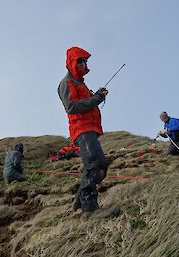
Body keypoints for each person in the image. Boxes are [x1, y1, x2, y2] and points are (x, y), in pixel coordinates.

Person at [58, 46, 120, 218]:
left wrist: (97, 95)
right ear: (73, 62)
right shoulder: (67, 83)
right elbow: (71, 107)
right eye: (81, 61)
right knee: (94, 165)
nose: (85, 64)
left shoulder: (80, 84)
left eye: (85, 61)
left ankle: (80, 199)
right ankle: (90, 209)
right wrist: (96, 98)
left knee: (100, 166)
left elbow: (86, 101)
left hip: (89, 130)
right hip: (81, 130)